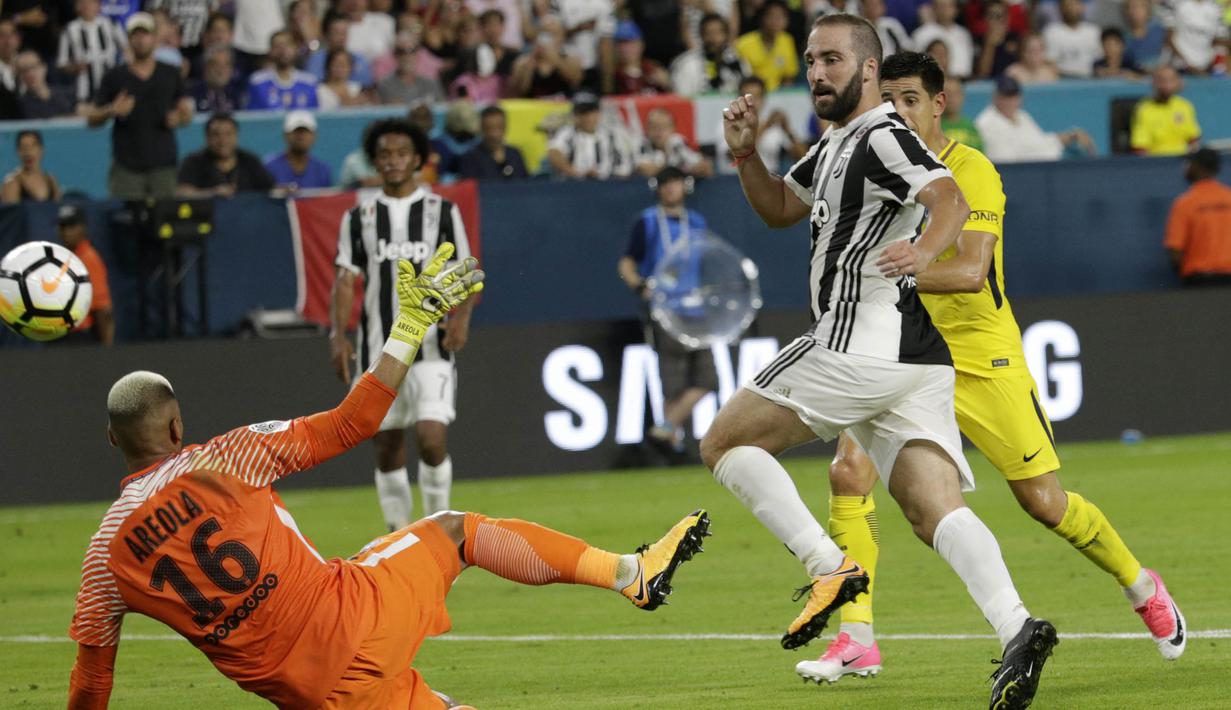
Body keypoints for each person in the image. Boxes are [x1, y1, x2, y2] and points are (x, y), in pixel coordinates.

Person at [67, 242, 712, 707]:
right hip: (360, 617)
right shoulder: (227, 456)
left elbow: (93, 679)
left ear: (109, 441)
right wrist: (408, 328)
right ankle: (630, 574)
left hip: (316, 697)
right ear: (178, 428)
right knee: (456, 530)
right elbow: (355, 422)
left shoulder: (104, 554)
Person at [797, 50, 1187, 687]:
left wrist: (885, 275)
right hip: (898, 352)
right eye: (887, 100)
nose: (897, 112)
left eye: (910, 100)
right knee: (848, 473)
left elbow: (972, 272)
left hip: (981, 356)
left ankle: (1140, 583)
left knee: (1044, 503)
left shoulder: (969, 171)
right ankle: (856, 636)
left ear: (938, 104)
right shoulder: (871, 168)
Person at [708, 16, 1057, 708]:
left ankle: (826, 568)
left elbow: (947, 197)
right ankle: (1018, 626)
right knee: (932, 510)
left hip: (854, 343)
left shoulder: (880, 136)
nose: (816, 73)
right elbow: (781, 206)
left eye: (831, 59)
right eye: (809, 60)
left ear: (867, 70)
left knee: (722, 440)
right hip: (912, 358)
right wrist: (746, 157)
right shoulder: (837, 143)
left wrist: (924, 252)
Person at [330, 119, 479, 530]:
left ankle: (436, 527)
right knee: (386, 443)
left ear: (417, 160)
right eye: (384, 155)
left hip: (432, 344)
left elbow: (467, 272)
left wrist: (461, 320)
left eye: (400, 154)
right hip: (376, 349)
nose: (392, 162)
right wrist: (337, 336)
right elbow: (345, 279)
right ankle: (398, 534)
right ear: (375, 161)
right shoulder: (359, 216)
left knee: (432, 440)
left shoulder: (442, 211)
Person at [618, 166, 716, 456]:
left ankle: (665, 427)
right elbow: (626, 263)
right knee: (672, 383)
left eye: (675, 183)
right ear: (658, 189)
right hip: (665, 310)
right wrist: (640, 286)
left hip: (696, 308)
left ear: (683, 187)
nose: (671, 189)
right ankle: (672, 443)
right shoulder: (647, 222)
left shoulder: (696, 222)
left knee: (709, 380)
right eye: (665, 184)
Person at [85, 12, 194, 200]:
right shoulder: (115, 76)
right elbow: (92, 119)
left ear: (154, 38)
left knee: (164, 219)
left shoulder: (170, 73)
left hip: (163, 164)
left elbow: (185, 112)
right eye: (135, 35)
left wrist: (180, 118)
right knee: (127, 221)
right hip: (127, 166)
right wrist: (112, 110)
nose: (140, 40)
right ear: (128, 40)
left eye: (145, 34)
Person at [975, 75, 1093, 163]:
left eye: (1014, 96)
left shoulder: (1022, 116)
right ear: (995, 97)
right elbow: (1006, 159)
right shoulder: (986, 123)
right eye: (1005, 97)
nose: (1010, 102)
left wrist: (1071, 136)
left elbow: (1040, 141)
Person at [1164, 147, 1231, 286]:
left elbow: (1175, 253)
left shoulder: (1185, 204)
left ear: (1198, 167)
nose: (1185, 168)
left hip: (1199, 284)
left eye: (1189, 163)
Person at [715, 75, 807, 174]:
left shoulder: (773, 126)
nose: (753, 103)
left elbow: (803, 158)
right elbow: (735, 157)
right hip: (734, 181)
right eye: (748, 98)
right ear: (739, 99)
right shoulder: (728, 124)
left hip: (770, 180)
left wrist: (787, 129)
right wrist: (765, 126)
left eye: (757, 97)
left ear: (764, 98)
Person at [177, 112, 275, 197]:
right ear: (207, 137)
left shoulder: (249, 160)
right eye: (216, 134)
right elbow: (183, 193)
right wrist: (212, 193)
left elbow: (271, 189)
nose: (222, 141)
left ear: (236, 136)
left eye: (228, 134)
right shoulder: (193, 161)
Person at [56, 204, 114, 346]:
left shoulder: (88, 259)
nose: (66, 232)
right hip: (57, 336)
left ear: (83, 228)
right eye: (63, 227)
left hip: (79, 339)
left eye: (71, 226)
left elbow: (103, 310)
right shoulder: (59, 257)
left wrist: (106, 350)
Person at [546, 92, 635, 180]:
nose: (587, 117)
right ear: (575, 116)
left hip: (607, 186)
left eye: (591, 112)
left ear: (598, 114)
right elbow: (554, 153)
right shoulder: (567, 133)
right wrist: (577, 173)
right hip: (573, 186)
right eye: (582, 113)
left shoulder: (611, 136)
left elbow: (623, 167)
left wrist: (602, 175)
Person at [56, 0, 126, 104]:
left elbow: (127, 50)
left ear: (99, 6)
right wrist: (75, 67)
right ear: (76, 7)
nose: (87, 6)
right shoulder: (69, 29)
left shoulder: (111, 24)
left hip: (112, 87)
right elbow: (61, 63)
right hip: (83, 91)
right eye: (82, 3)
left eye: (91, 2)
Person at [670, 12, 749, 96]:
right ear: (701, 35)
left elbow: (748, 93)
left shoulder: (739, 63)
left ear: (727, 35)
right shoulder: (688, 64)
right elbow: (682, 98)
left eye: (719, 32)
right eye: (709, 33)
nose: (714, 38)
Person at [1130, 66, 1201, 156]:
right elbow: (1140, 148)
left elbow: (1193, 139)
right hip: (1157, 163)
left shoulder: (1185, 106)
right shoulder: (1143, 109)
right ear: (1154, 83)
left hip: (1183, 160)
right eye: (1162, 80)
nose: (1167, 85)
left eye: (1171, 80)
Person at [508, 16, 583, 98]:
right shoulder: (522, 62)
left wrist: (556, 59)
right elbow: (519, 92)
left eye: (553, 34)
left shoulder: (571, 59)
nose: (548, 39)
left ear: (561, 37)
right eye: (545, 34)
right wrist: (531, 62)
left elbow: (575, 82)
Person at [247, 29, 319, 110]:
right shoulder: (258, 81)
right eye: (277, 46)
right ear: (270, 51)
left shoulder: (309, 82)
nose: (282, 50)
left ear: (295, 48)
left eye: (287, 45)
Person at [735, 0, 799, 90]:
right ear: (762, 18)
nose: (776, 21)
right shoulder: (743, 43)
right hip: (751, 94)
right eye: (772, 16)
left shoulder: (787, 41)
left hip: (778, 95)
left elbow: (788, 77)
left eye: (781, 17)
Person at [264, 110, 334, 191]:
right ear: (285, 135)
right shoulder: (270, 168)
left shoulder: (323, 171)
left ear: (314, 136)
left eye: (305, 131)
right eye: (296, 131)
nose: (301, 136)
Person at [635, 108, 714, 178]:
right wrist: (682, 170)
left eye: (663, 127)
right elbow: (645, 169)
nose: (658, 131)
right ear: (647, 128)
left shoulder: (677, 142)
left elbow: (706, 167)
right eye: (654, 126)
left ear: (672, 128)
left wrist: (695, 167)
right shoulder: (642, 144)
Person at [458, 105, 529, 180]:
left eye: (498, 127)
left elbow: (526, 184)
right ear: (481, 128)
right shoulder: (470, 158)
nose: (493, 134)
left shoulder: (515, 155)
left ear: (505, 127)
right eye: (488, 128)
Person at [306, 13, 374, 86]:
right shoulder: (316, 59)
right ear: (326, 34)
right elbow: (313, 86)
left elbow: (366, 87)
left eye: (344, 33)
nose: (341, 38)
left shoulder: (360, 59)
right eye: (336, 33)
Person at [911, 0, 973, 77]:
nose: (945, 10)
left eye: (949, 6)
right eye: (941, 6)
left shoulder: (964, 33)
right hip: (934, 83)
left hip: (964, 83)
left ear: (956, 9)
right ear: (933, 8)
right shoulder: (921, 33)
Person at [1163, 0, 1228, 73]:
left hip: (1206, 67)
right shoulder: (1173, 3)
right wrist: (1187, 65)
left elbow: (1220, 41)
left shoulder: (1217, 7)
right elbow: (1168, 38)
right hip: (1177, 67)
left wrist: (1212, 65)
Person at [1042, 0, 1101, 78]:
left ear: (1082, 7)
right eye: (1067, 5)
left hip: (1092, 78)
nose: (1071, 8)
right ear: (1060, 9)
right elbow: (1049, 61)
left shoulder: (1094, 31)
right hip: (1062, 78)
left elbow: (1101, 59)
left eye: (1075, 4)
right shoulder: (1051, 31)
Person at [612, 20, 671, 95]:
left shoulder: (652, 69)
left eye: (631, 43)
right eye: (621, 44)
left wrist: (666, 84)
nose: (626, 49)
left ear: (641, 45)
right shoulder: (613, 76)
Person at [1, 130, 61, 203]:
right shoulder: (11, 183)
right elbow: (11, 214)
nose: (28, 152)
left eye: (32, 147)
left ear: (41, 150)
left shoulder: (51, 181)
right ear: (18, 152)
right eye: (24, 147)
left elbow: (58, 211)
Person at [377, 42, 445, 105]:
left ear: (417, 55)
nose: (407, 57)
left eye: (412, 51)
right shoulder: (384, 84)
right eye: (401, 52)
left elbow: (442, 109)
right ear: (395, 56)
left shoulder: (431, 83)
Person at [15, 50, 77, 119]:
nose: (30, 73)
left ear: (44, 67)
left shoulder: (67, 93)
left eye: (33, 67)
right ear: (19, 76)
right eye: (24, 70)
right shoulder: (20, 105)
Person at [191, 44, 242, 112]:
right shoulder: (192, 94)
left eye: (226, 65)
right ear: (205, 67)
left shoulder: (239, 94)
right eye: (215, 64)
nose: (220, 70)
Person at [939, 76, 982, 150]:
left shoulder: (970, 127)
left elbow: (981, 155)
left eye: (957, 93)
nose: (953, 99)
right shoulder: (933, 127)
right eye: (948, 94)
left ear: (963, 96)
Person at [1123, 0, 1166, 70]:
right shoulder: (1123, 38)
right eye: (1128, 7)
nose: (1132, 11)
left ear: (1148, 9)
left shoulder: (1162, 30)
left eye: (1137, 7)